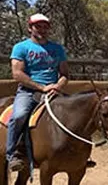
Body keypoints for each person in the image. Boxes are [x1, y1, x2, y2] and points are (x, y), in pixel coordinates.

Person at [6, 13, 69, 172]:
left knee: (74, 113)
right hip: (28, 91)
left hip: (53, 91)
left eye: (45, 27)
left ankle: (79, 154)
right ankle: (13, 153)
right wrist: (41, 88)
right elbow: (17, 74)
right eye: (37, 26)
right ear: (30, 28)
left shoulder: (57, 49)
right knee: (19, 115)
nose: (42, 29)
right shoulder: (21, 48)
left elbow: (65, 74)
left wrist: (57, 85)